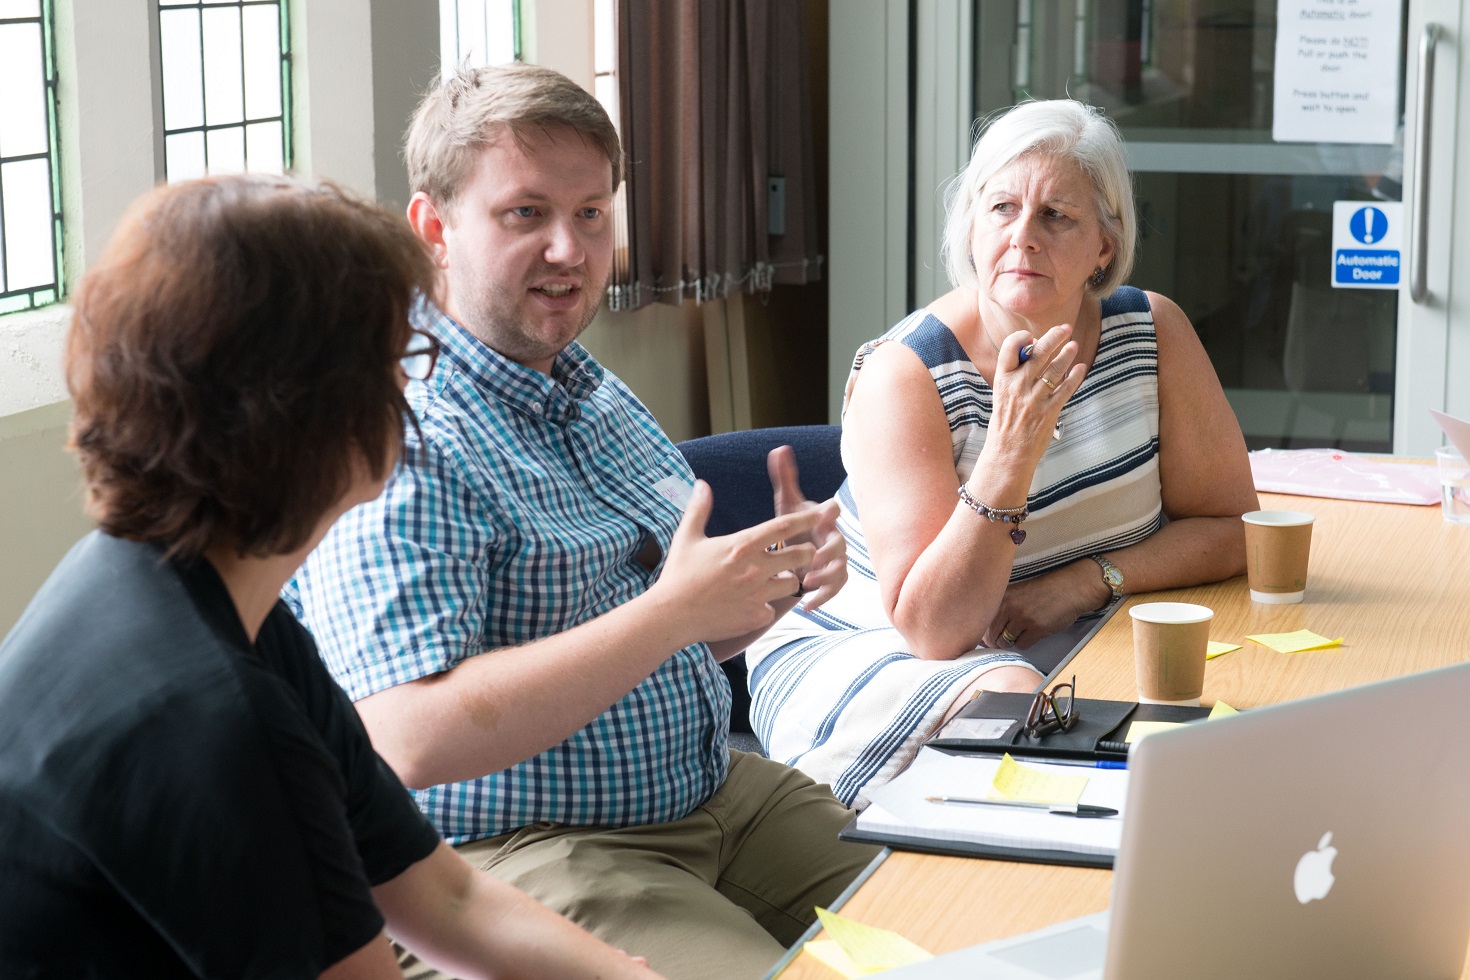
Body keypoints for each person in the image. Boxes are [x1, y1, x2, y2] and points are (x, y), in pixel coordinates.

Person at [286, 63, 877, 980]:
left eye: (592, 212)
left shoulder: (582, 383)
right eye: (526, 213)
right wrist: (673, 614)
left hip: (715, 794)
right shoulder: (400, 432)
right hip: (521, 851)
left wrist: (763, 591)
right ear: (434, 230)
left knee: (979, 912)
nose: (570, 249)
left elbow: (657, 630)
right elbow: (406, 736)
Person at [0, 175, 661, 978]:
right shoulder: (219, 722)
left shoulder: (201, 597)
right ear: (306, 407)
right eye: (401, 355)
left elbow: (446, 897)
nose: (415, 386)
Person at [745, 99, 1259, 808]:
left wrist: (1088, 580)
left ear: (1103, 246)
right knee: (1041, 734)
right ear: (971, 226)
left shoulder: (1152, 332)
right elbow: (934, 628)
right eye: (1001, 209)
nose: (1023, 237)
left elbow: (1232, 532)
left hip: (1070, 635)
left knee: (1230, 724)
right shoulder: (906, 373)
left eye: (1056, 216)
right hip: (880, 650)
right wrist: (1010, 450)